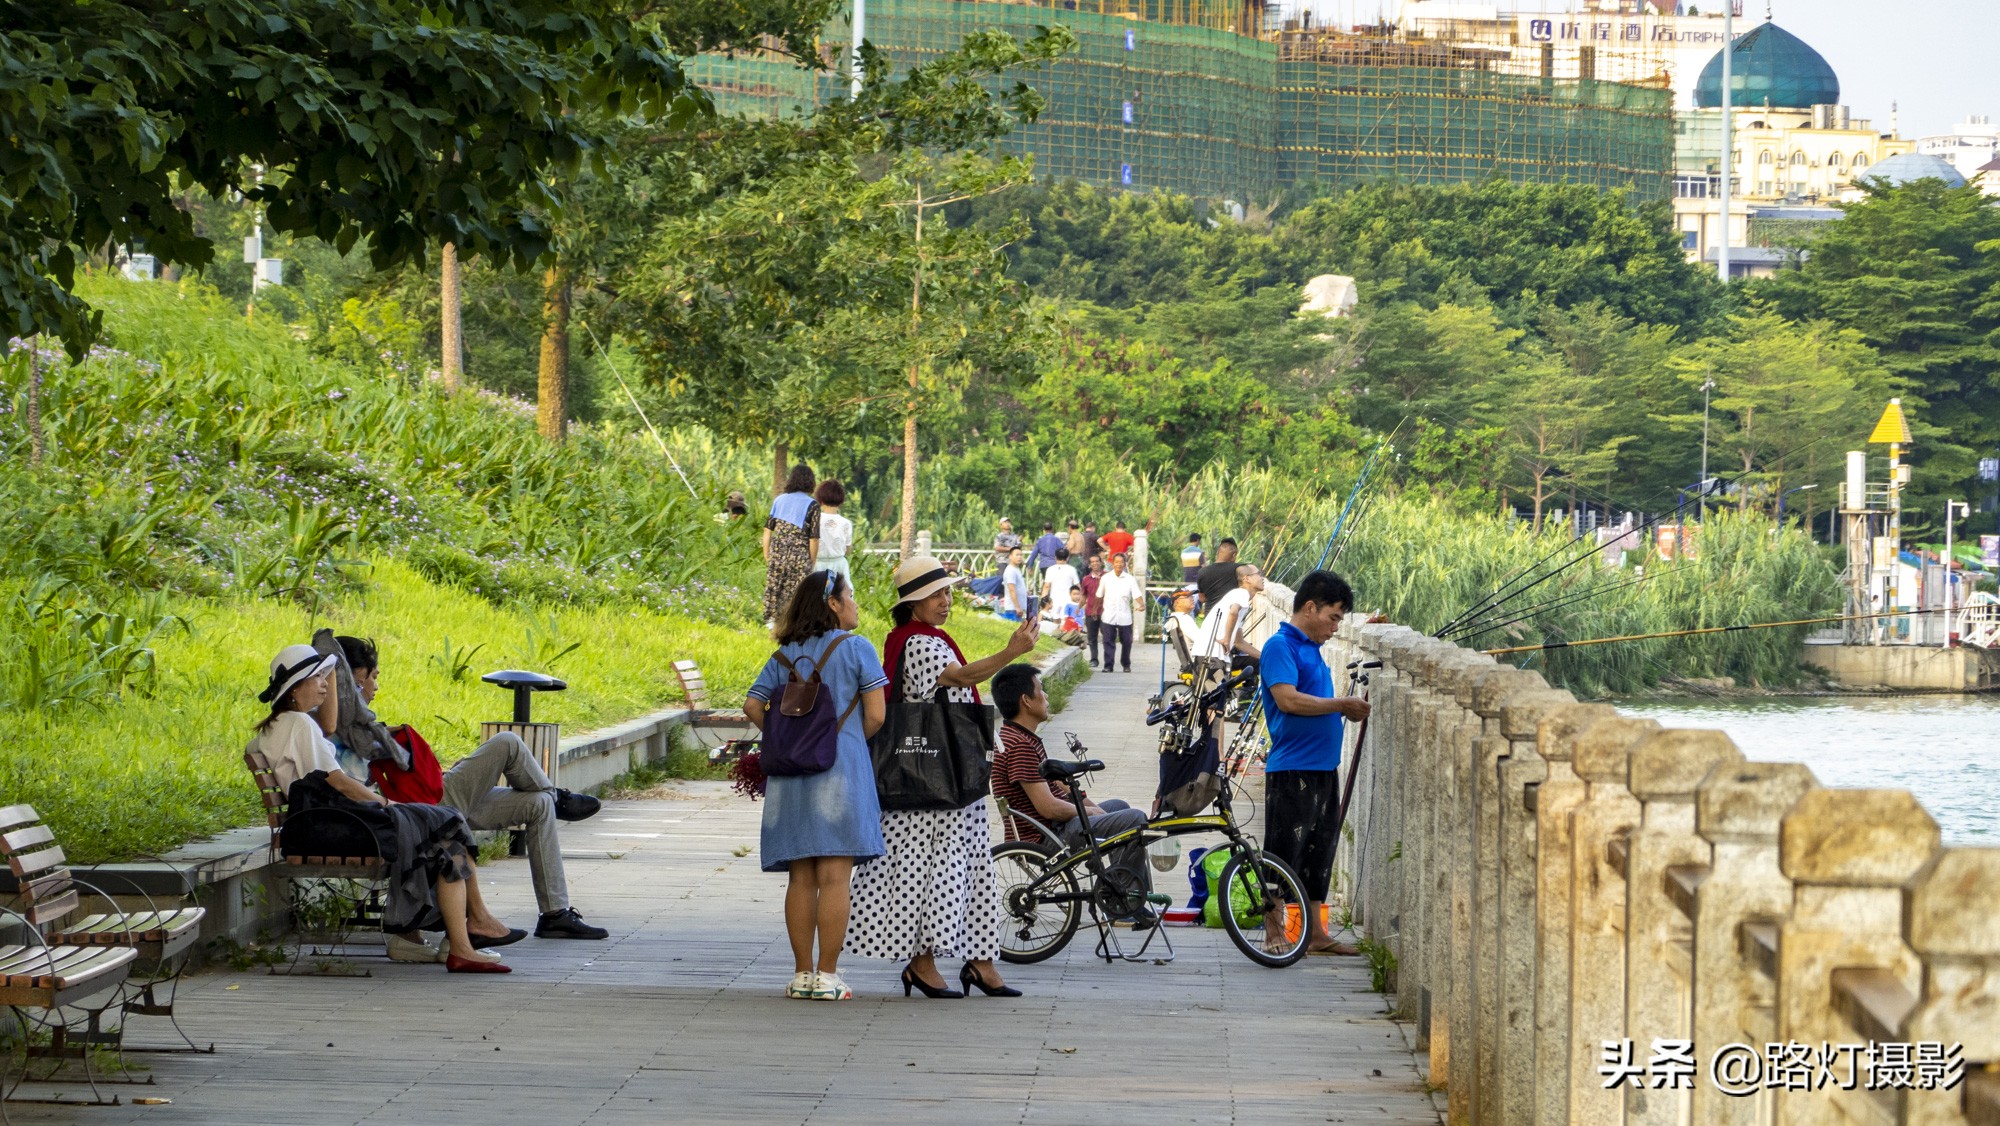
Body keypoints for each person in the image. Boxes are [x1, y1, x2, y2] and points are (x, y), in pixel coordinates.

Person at [250, 645, 515, 973]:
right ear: (294, 688)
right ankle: (464, 936)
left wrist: (330, 666)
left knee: (446, 834)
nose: (324, 683)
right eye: (316, 677)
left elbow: (327, 750)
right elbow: (336, 781)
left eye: (324, 676)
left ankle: (458, 940)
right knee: (446, 825)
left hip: (323, 823)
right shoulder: (299, 725)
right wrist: (385, 803)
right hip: (335, 824)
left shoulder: (284, 725)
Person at [846, 556, 1038, 999]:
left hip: (944, 776)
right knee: (932, 872)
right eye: (936, 595)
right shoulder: (919, 643)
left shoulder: (915, 638)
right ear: (913, 603)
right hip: (932, 782)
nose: (946, 601)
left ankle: (980, 961)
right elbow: (962, 676)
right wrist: (1011, 652)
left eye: (948, 593)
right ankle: (924, 963)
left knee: (967, 869)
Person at [335, 637, 610, 943]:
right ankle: (558, 797)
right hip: (423, 808)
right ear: (350, 679)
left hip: (427, 803)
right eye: (370, 678)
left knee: (538, 804)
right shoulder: (338, 720)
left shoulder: (353, 719)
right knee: (507, 743)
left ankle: (555, 915)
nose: (374, 687)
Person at [744, 569, 890, 1001]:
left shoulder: (784, 654)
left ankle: (801, 974)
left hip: (790, 778)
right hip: (839, 772)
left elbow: (753, 704)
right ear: (832, 603)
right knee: (835, 878)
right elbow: (878, 715)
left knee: (801, 878)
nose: (856, 604)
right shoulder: (857, 648)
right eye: (851, 596)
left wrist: (788, 738)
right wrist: (840, 742)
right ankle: (828, 976)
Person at [1258, 571, 1371, 957]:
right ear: (1310, 607)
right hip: (1292, 769)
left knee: (1317, 853)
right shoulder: (1280, 647)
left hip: (1323, 767)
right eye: (1333, 618)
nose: (1335, 628)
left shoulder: (1312, 649)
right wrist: (1341, 704)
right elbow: (1288, 700)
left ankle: (1315, 932)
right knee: (1283, 853)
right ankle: (1273, 931)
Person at [989, 664, 1152, 916]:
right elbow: (1049, 807)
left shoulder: (1021, 737)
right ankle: (1125, 905)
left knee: (1119, 807)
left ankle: (1128, 896)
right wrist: (1091, 815)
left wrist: (1090, 806)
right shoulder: (1020, 746)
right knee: (1135, 820)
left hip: (1053, 828)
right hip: (1046, 838)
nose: (1045, 697)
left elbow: (1058, 786)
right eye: (1040, 691)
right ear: (1026, 701)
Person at [763, 465, 822, 626]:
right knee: (796, 588)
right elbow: (814, 538)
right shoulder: (813, 505)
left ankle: (771, 620)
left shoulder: (779, 500)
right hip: (799, 553)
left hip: (778, 550)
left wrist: (766, 554)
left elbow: (768, 530)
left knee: (775, 584)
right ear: (810, 482)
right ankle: (791, 621)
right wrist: (812, 560)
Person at [1195, 562, 1265, 665]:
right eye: (1258, 574)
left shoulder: (1238, 597)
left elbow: (1239, 642)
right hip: (1211, 655)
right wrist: (1227, 640)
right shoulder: (1241, 593)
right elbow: (1233, 612)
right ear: (1247, 579)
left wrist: (1265, 657)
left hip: (1209, 654)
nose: (1262, 578)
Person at [1096, 552, 1144, 673]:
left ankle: (1126, 664)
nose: (1119, 564)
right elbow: (1099, 595)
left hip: (1124, 616)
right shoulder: (1106, 578)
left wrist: (1142, 604)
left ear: (1124, 564)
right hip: (1108, 615)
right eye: (1116, 562)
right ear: (1113, 563)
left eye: (1121, 562)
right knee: (1108, 641)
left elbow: (1137, 594)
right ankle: (1108, 665)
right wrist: (1094, 610)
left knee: (1127, 641)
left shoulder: (1130, 579)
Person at [814, 479, 854, 581]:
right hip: (838, 567)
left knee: (818, 595)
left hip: (817, 567)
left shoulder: (814, 520)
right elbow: (848, 550)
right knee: (838, 595)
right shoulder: (846, 523)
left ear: (820, 500)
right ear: (840, 501)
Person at [1196, 537, 1242, 610]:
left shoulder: (1202, 572)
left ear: (1218, 553)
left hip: (1209, 616)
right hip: (1229, 617)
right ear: (1234, 555)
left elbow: (1202, 598)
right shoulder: (1237, 569)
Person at [1079, 555, 1107, 669]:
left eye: (1097, 561)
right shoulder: (1086, 579)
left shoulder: (1107, 577)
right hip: (1090, 611)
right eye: (1093, 562)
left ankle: (1108, 658)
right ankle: (1094, 659)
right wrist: (1078, 608)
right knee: (1092, 637)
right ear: (1090, 565)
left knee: (1108, 636)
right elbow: (1084, 595)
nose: (1095, 564)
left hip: (1105, 611)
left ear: (1101, 563)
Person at [1039, 547, 1080, 621]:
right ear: (1067, 558)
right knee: (1066, 623)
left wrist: (1043, 602)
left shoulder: (1050, 569)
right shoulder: (1072, 569)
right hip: (1068, 601)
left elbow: (1046, 586)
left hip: (1054, 601)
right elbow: (1077, 586)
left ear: (1055, 557)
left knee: (1055, 623)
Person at [999, 545, 1030, 622]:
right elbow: (1011, 590)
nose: (1019, 557)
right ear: (1010, 556)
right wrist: (1017, 607)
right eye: (1017, 555)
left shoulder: (1016, 569)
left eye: (1021, 555)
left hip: (1017, 608)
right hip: (1013, 609)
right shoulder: (1010, 571)